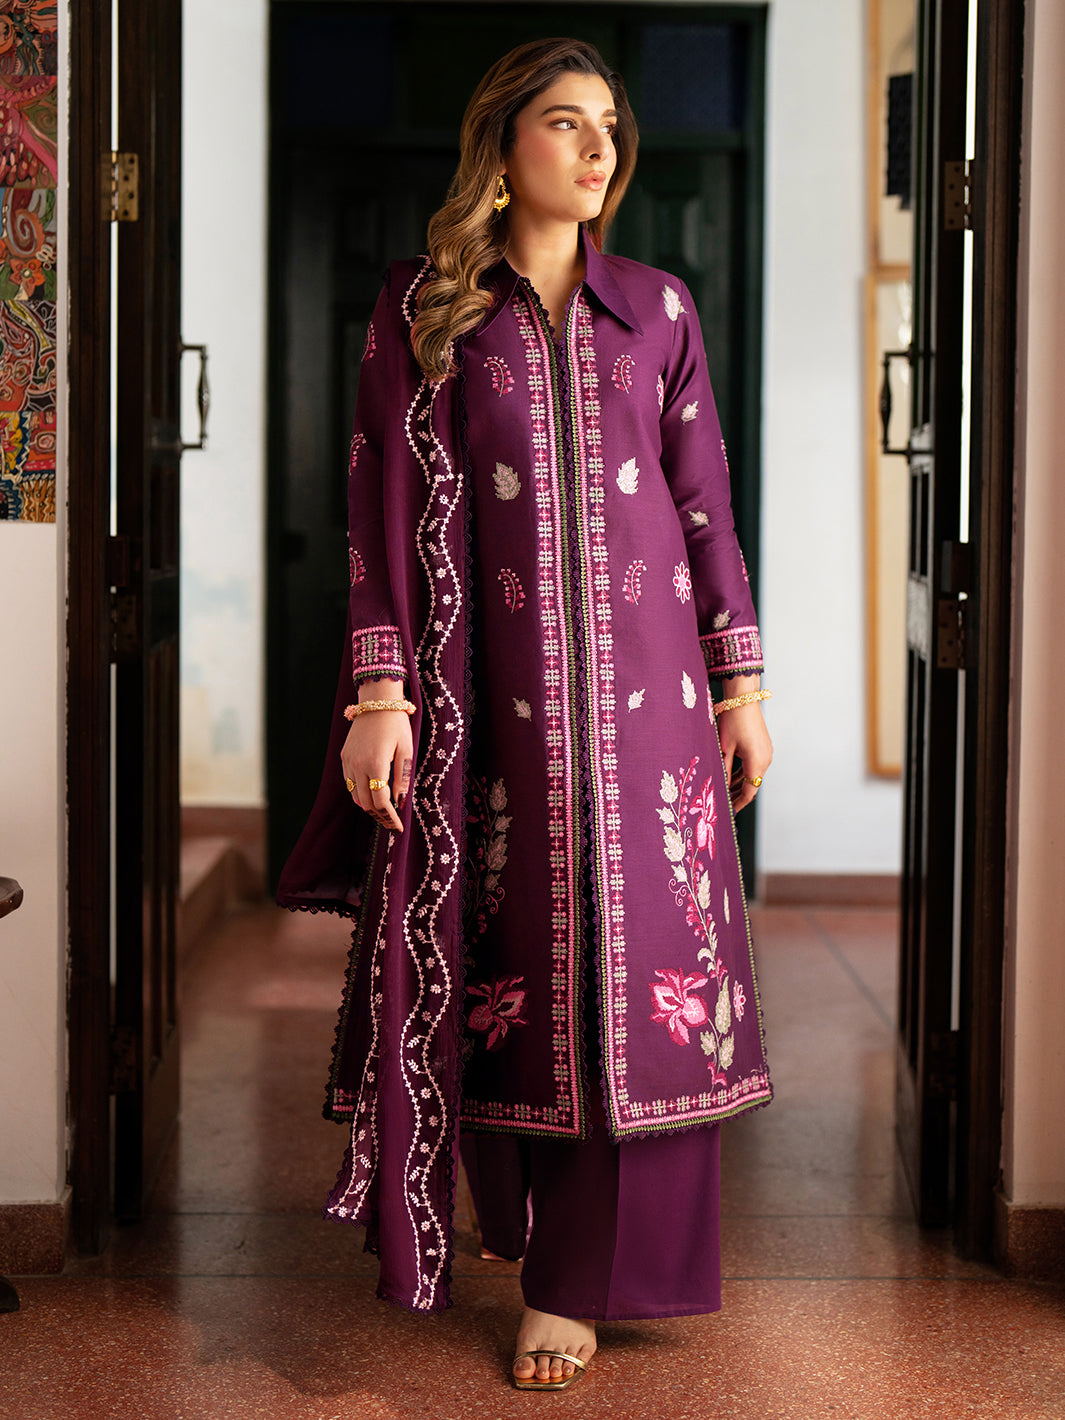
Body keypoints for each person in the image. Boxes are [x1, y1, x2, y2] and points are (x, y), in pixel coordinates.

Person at [278, 36, 773, 1392]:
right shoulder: (426, 307)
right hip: (489, 713)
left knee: (648, 982)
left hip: (654, 720)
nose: (599, 147)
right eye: (566, 122)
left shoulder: (656, 308)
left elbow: (703, 505)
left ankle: (585, 1280)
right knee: (522, 974)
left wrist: (741, 683)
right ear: (502, 145)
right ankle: (527, 1231)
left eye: (610, 124)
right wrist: (379, 694)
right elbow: (376, 519)